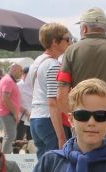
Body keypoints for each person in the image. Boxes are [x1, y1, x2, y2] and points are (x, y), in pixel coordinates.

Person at [56, 7, 106, 156]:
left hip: (81, 118)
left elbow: (61, 95)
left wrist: (74, 117)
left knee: (82, 167)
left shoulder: (71, 51)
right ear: (105, 28)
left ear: (85, 28)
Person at [29, 22, 71, 160]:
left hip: (35, 117)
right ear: (55, 42)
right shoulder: (53, 65)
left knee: (44, 165)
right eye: (67, 38)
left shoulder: (38, 61)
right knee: (55, 167)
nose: (69, 42)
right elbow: (53, 101)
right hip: (48, 119)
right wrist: (61, 136)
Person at [0, 63, 25, 154]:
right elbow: (5, 98)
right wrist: (14, 113)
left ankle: (5, 158)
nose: (22, 73)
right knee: (11, 136)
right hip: (7, 113)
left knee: (9, 136)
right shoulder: (8, 81)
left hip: (7, 112)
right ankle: (4, 159)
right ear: (14, 70)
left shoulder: (8, 80)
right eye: (21, 70)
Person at [16, 66, 32, 142]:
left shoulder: (33, 85)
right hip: (21, 116)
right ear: (24, 74)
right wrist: (25, 112)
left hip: (32, 117)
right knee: (18, 138)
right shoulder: (18, 85)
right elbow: (15, 102)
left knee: (30, 139)